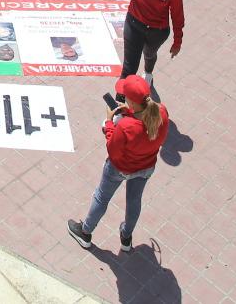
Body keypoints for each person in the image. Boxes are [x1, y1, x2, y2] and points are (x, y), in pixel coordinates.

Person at [66, 75, 169, 250]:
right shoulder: (161, 112)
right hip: (146, 167)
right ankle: (126, 237)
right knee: (134, 201)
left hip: (119, 168)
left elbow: (112, 150)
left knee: (102, 197)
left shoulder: (126, 126)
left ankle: (85, 232)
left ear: (133, 102)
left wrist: (108, 123)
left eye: (125, 96)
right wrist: (129, 112)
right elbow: (146, 126)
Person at [114, 0, 182, 83]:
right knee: (129, 67)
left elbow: (177, 16)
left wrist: (177, 42)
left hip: (158, 32)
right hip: (134, 24)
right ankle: (121, 98)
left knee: (149, 54)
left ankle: (148, 72)